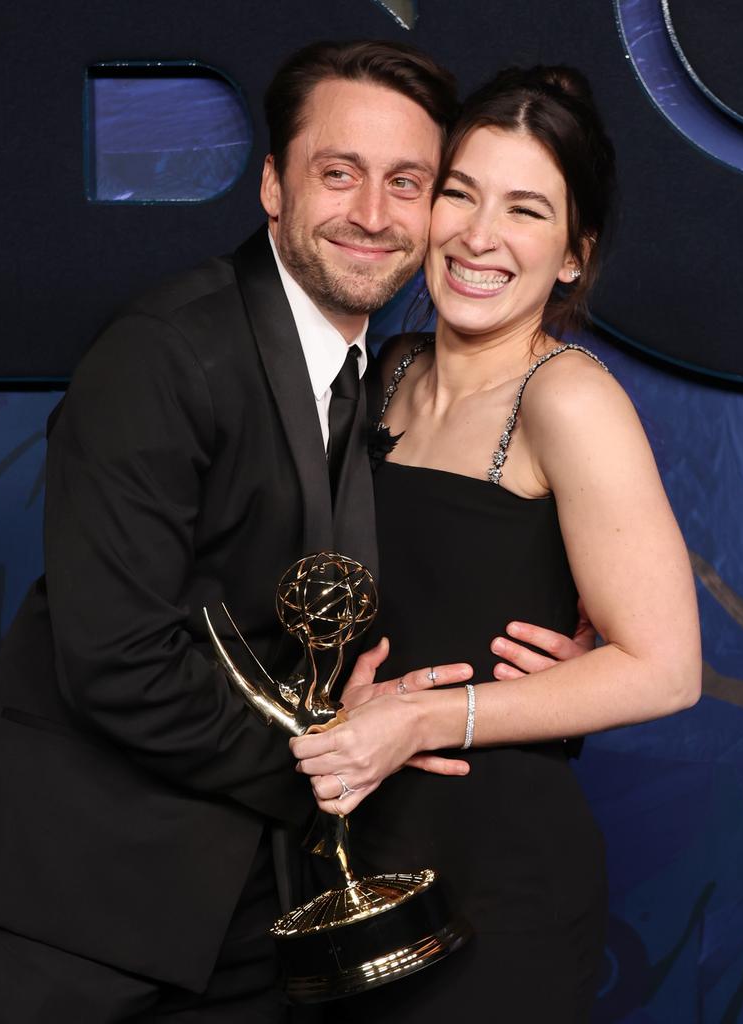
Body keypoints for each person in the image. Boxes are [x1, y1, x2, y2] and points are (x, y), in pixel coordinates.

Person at [0, 40, 461, 1024]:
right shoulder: (164, 356)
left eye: (405, 182)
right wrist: (328, 757)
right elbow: (118, 659)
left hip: (256, 915)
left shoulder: (387, 377)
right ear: (273, 187)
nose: (373, 215)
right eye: (340, 173)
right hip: (86, 911)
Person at [291, 66, 702, 1023]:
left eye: (525, 209)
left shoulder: (568, 398)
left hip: (502, 876)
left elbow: (669, 668)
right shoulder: (387, 370)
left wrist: (425, 719)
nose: (479, 236)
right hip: (356, 855)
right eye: (460, 194)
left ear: (572, 253)